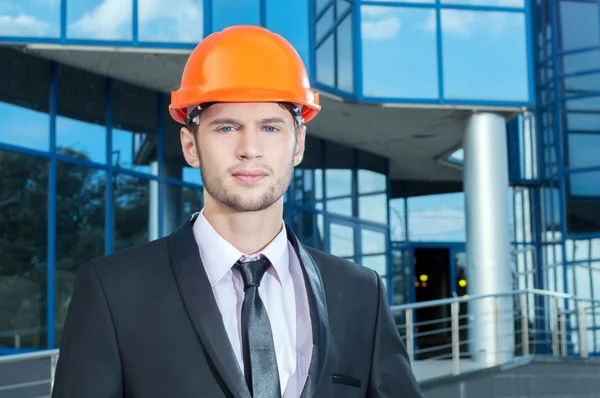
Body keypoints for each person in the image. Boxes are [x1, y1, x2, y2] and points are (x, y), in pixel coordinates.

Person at [51, 25, 422, 398]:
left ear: (298, 145)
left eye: (270, 127)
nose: (250, 148)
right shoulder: (113, 291)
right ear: (190, 146)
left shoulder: (360, 294)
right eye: (227, 127)